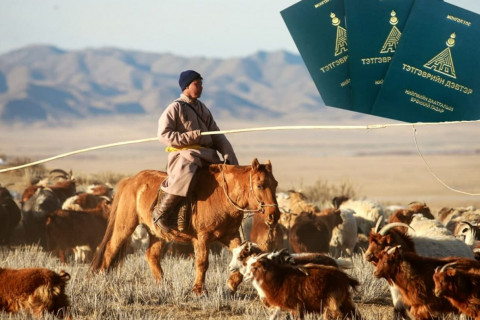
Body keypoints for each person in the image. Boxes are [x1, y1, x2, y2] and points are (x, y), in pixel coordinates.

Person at [152, 70, 239, 231]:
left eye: (201, 84)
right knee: (186, 172)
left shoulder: (203, 108)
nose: (200, 87)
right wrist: (191, 137)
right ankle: (161, 213)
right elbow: (163, 135)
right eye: (196, 84)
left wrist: (229, 157)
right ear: (186, 86)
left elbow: (216, 134)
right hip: (185, 154)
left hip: (207, 155)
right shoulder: (175, 108)